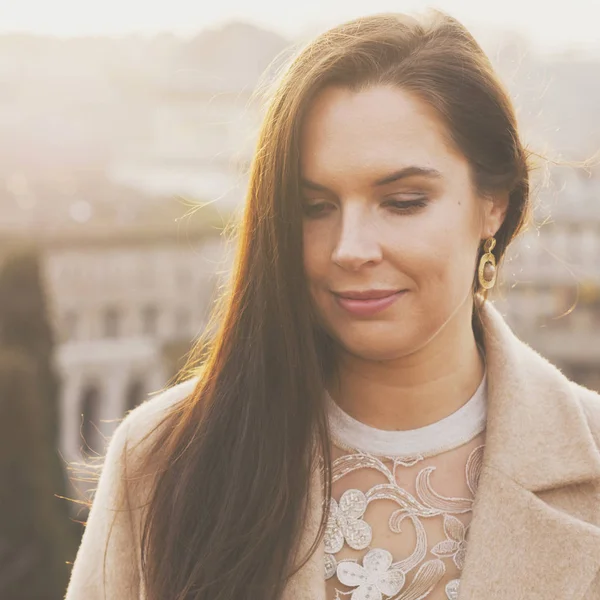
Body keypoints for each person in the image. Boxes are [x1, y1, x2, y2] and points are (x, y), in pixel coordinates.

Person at [64, 10, 600, 600]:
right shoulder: (161, 458)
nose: (350, 249)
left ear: (492, 204)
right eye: (314, 207)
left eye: (401, 201)